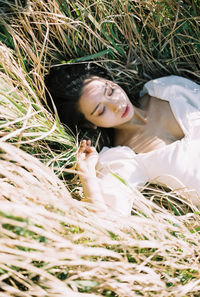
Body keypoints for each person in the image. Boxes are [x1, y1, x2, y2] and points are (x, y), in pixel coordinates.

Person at [46, 63, 200, 215]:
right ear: (90, 124)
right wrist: (87, 175)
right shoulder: (123, 159)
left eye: (110, 91)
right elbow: (106, 218)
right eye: (101, 110)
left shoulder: (166, 89)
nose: (117, 105)